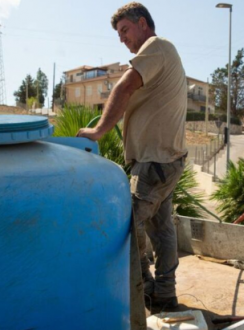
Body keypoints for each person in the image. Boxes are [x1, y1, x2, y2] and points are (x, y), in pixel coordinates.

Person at [76, 0, 187, 317]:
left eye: (125, 30)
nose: (122, 38)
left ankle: (140, 293)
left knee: (126, 226)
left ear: (143, 23)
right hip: (165, 160)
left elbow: (124, 86)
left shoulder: (156, 45)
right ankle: (164, 294)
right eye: (119, 34)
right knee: (162, 230)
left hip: (154, 163)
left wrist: (99, 130)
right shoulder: (161, 53)